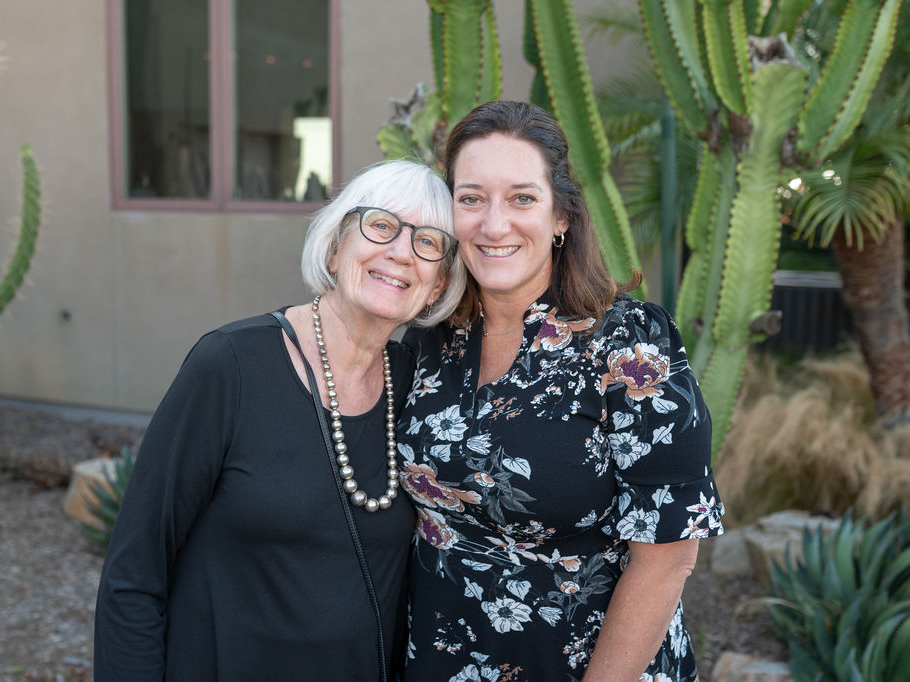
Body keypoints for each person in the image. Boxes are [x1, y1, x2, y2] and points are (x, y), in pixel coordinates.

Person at [94, 159, 466, 681]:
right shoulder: (231, 366)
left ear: (439, 284)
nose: (401, 252)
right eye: (381, 226)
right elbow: (134, 574)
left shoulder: (418, 386)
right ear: (335, 247)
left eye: (427, 242)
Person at [397, 101, 724, 681]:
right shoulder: (431, 338)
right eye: (471, 199)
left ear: (561, 217)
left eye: (522, 198)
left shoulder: (629, 345)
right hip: (443, 658)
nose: (494, 225)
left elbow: (668, 559)